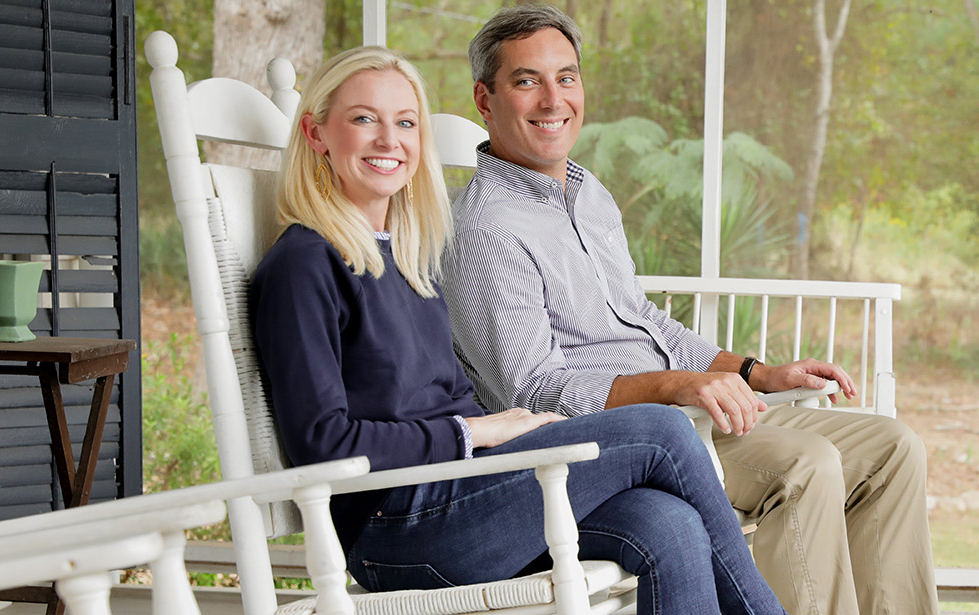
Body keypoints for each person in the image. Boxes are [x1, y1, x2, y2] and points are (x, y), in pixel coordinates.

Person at [249, 45, 785, 615]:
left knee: (668, 524)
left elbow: (447, 398)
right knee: (662, 430)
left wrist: (509, 434)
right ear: (315, 134)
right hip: (395, 528)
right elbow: (323, 443)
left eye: (405, 122)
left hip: (463, 491)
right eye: (363, 119)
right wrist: (477, 432)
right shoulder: (304, 264)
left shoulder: (408, 256)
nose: (389, 140)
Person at [442, 6, 939, 614]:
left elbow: (644, 321)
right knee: (806, 465)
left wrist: (755, 373)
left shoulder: (588, 193)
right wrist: (678, 386)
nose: (553, 99)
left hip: (688, 413)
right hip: (611, 445)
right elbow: (532, 388)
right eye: (527, 81)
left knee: (894, 448)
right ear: (484, 99)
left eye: (566, 77)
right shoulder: (484, 225)